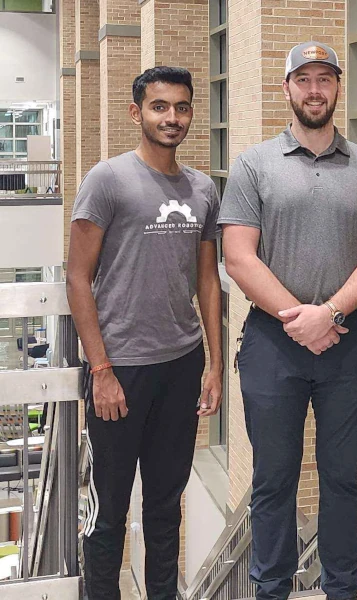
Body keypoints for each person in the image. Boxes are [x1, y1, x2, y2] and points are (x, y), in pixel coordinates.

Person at [218, 41, 357, 600]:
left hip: (349, 340)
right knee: (274, 481)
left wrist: (330, 313)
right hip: (274, 343)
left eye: (325, 79)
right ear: (287, 89)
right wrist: (298, 318)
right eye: (304, 79)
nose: (315, 89)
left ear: (337, 87)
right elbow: (238, 255)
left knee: (343, 478)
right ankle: (271, 590)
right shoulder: (253, 164)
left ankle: (342, 589)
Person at [67, 66, 223, 600]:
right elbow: (77, 276)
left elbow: (207, 280)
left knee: (164, 506)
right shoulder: (106, 180)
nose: (172, 117)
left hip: (181, 365)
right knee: (108, 512)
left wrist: (215, 366)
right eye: (160, 107)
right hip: (121, 367)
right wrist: (101, 370)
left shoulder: (202, 188)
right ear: (137, 113)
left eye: (181, 107)